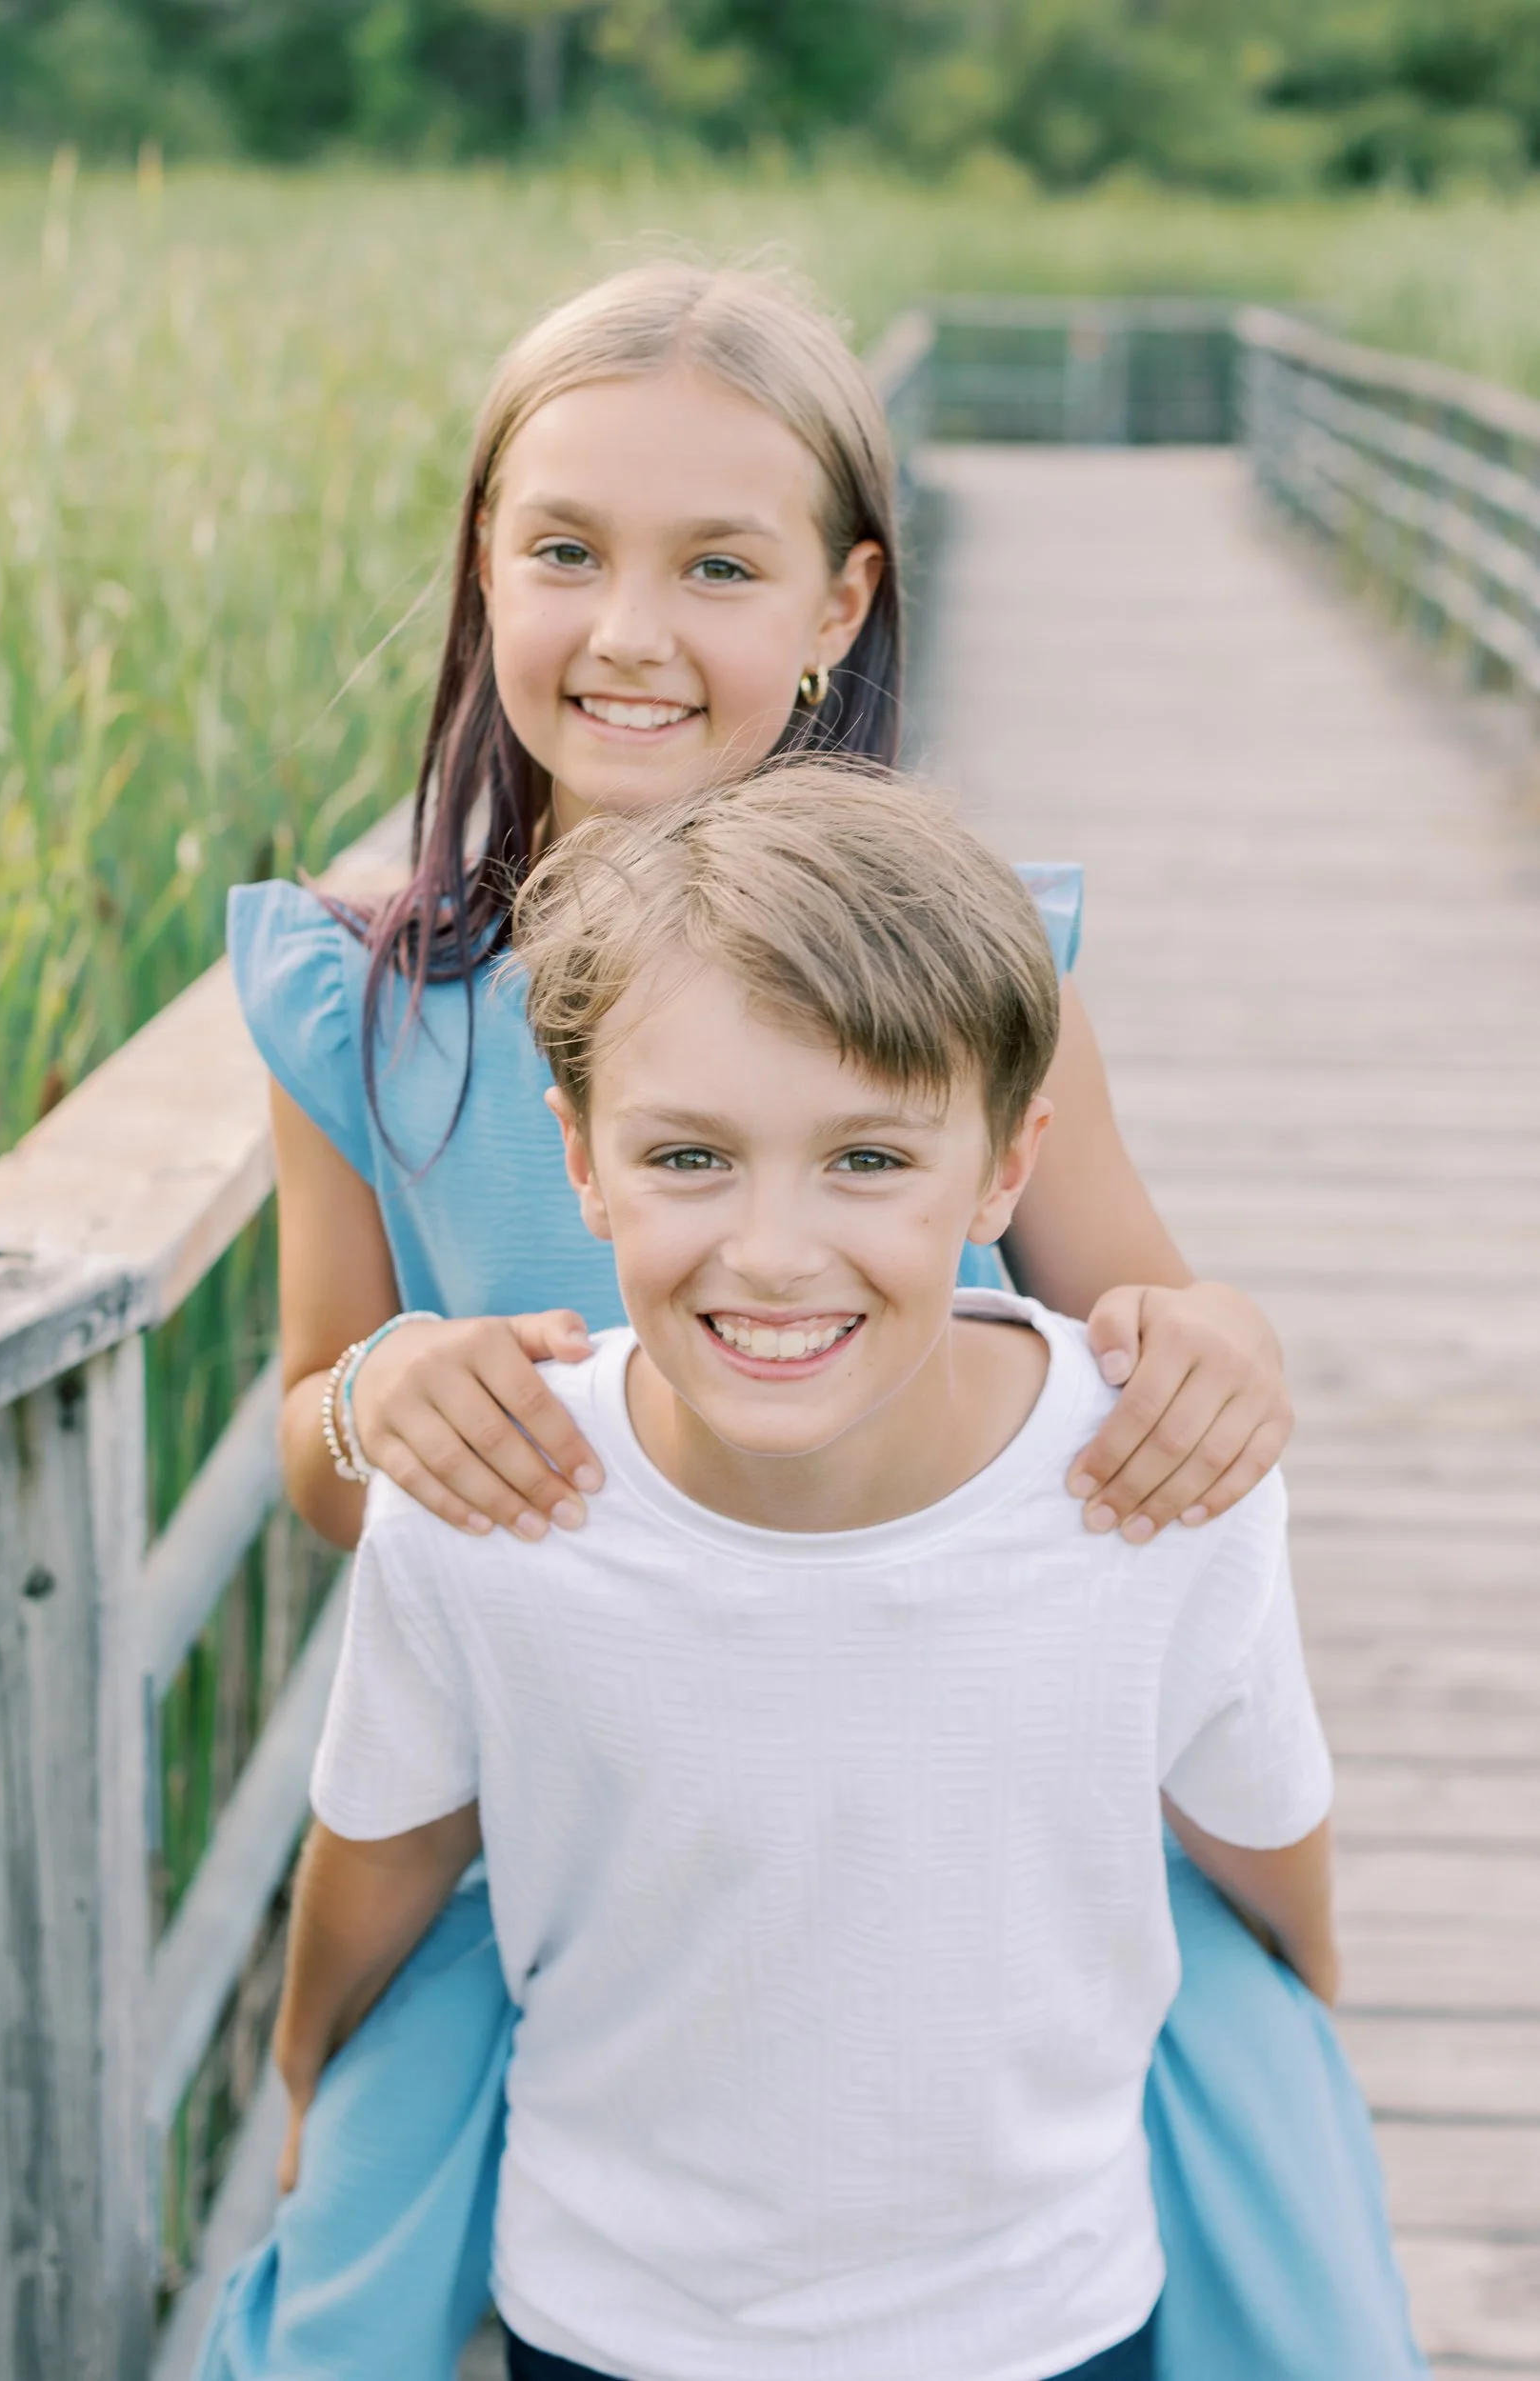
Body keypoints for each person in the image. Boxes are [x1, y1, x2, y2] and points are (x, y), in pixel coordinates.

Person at [205, 263, 1423, 2378]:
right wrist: (387, 1389)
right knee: (352, 2258)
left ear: (840, 607)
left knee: (1264, 2183)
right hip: (585, 1778)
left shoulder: (969, 969)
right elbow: (319, 1442)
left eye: (718, 566)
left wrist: (1220, 1338)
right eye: (562, 550)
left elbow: (1134, 1289)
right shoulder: (366, 1003)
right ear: (479, 564)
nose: (631, 631)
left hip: (938, 1750)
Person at [280, 768, 1339, 2381]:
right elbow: (375, 1866)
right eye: (690, 1158)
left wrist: (1305, 2095)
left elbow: (1273, 1869)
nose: (773, 1251)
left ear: (1005, 1170)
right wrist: (308, 2089)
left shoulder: (1155, 1486)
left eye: (866, 1161)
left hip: (1047, 2315)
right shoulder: (483, 1498)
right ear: (579, 1159)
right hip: (614, 2319)